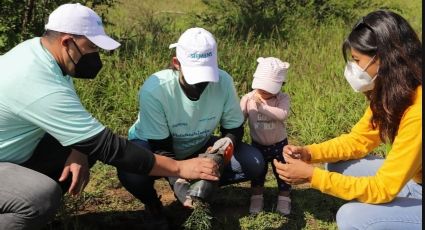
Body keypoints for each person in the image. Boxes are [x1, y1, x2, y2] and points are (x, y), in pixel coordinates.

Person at [0, 4, 219, 230]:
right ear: (67, 42)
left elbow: (86, 132)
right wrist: (179, 168)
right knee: (40, 196)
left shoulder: (40, 53)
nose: (96, 55)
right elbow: (110, 148)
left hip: (13, 153)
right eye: (92, 47)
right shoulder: (36, 79)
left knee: (85, 149)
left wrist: (79, 150)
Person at [274, 10, 422, 230]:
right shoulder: (394, 91)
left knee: (352, 217)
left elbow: (384, 187)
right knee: (337, 164)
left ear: (384, 57)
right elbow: (357, 141)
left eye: (356, 60)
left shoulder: (418, 112)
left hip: (409, 185)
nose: (352, 68)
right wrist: (309, 153)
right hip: (412, 178)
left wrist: (313, 178)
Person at [117, 27, 265, 228]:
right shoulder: (156, 90)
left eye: (206, 76)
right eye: (195, 76)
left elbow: (234, 128)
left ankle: (201, 190)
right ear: (176, 64)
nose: (202, 83)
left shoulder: (223, 82)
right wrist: (177, 179)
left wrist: (223, 148)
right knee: (131, 171)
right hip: (152, 146)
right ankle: (153, 205)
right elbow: (161, 146)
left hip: (198, 146)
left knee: (254, 161)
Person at [240, 57, 292, 215]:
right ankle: (257, 197)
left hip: (279, 144)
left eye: (269, 88)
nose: (263, 91)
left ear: (280, 85)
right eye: (261, 86)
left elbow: (282, 114)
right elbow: (239, 118)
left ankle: (284, 199)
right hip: (258, 145)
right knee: (258, 173)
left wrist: (261, 107)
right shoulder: (248, 98)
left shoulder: (282, 98)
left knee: (283, 173)